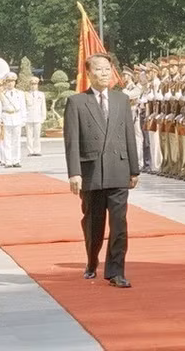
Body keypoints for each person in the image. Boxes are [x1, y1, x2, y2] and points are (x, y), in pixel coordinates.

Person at [64, 53, 140, 288]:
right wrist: (74, 173)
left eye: (108, 69)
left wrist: (134, 169)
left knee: (119, 224)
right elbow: (72, 141)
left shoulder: (121, 100)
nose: (105, 73)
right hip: (91, 171)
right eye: (99, 69)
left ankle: (116, 271)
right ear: (89, 73)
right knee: (93, 223)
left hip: (118, 168)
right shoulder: (77, 102)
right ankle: (91, 259)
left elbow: (129, 134)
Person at [0, 73, 26, 167]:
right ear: (6, 82)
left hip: (17, 116)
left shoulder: (20, 93)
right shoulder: (2, 94)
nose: (10, 83)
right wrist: (0, 119)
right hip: (6, 117)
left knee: (16, 141)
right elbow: (0, 108)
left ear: (15, 82)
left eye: (12, 81)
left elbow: (23, 107)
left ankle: (16, 160)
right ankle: (8, 161)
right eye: (8, 81)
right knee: (7, 141)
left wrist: (23, 119)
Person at [25, 76, 47, 156]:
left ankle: (37, 150)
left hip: (37, 117)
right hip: (28, 117)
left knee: (37, 135)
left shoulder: (41, 94)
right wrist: (24, 118)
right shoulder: (26, 94)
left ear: (37, 85)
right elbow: (24, 107)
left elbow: (43, 106)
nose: (33, 86)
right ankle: (30, 151)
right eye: (32, 84)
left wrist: (43, 117)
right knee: (29, 136)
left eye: (35, 84)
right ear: (29, 85)